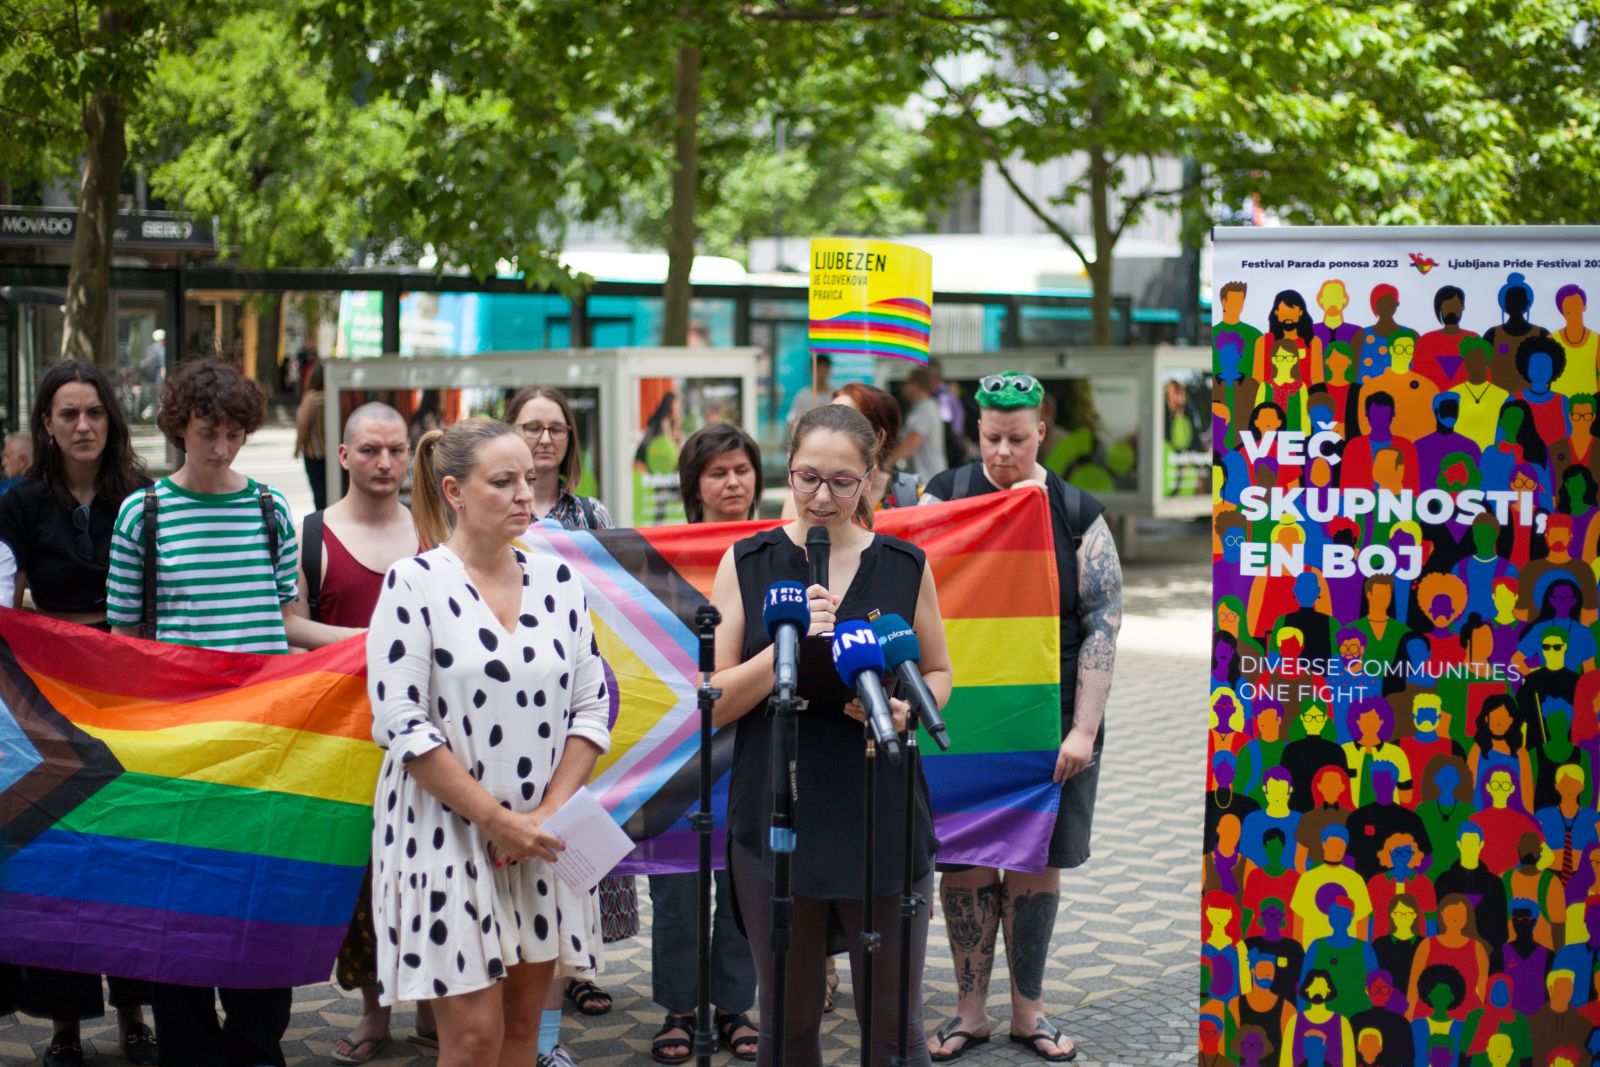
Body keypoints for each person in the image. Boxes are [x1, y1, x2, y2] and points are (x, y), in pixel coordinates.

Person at [104, 359, 339, 1066]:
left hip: (266, 740)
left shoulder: (268, 508)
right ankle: (190, 1048)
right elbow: (123, 644)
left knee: (260, 901)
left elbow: (288, 619)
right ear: (178, 427)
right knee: (180, 909)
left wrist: (369, 640)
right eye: (209, 432)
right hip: (181, 747)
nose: (224, 446)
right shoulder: (142, 513)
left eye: (236, 432)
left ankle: (257, 1045)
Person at [708, 403, 953, 1066]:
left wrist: (910, 707)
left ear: (874, 480)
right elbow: (715, 699)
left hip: (881, 806)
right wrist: (788, 645)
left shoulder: (905, 563)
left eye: (843, 481)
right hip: (780, 809)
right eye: (807, 476)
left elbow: (937, 667)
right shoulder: (748, 560)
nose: (822, 495)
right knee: (787, 1026)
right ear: (787, 472)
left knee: (895, 1029)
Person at [364, 416, 613, 1067]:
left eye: (528, 479)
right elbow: (401, 721)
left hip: (541, 834)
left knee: (522, 1032)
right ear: (455, 491)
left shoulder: (560, 583)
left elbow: (592, 707)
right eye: (503, 481)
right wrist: (498, 820)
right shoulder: (413, 582)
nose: (525, 494)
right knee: (472, 1040)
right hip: (444, 834)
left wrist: (540, 819)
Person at [919, 370, 1122, 1063]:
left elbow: (1102, 623)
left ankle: (1028, 1012)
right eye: (992, 436)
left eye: (1017, 437)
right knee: (968, 861)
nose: (1003, 452)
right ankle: (969, 1011)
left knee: (1035, 865)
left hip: (1052, 722)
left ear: (1041, 431)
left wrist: (1085, 729)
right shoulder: (942, 496)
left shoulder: (1075, 511)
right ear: (976, 428)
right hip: (962, 719)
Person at [0, 361, 154, 1065]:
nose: (84, 425)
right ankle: (63, 1020)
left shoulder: (146, 495)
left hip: (131, 686)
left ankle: (133, 1011)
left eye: (94, 412)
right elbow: (7, 601)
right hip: (50, 692)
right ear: (47, 424)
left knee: (129, 849)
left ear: (111, 418)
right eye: (69, 414)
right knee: (62, 853)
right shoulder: (20, 501)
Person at [286, 403, 431, 1065]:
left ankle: (436, 1003)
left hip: (433, 739)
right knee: (365, 880)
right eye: (370, 450)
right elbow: (290, 624)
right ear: (342, 456)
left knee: (433, 868)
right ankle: (375, 1011)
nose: (385, 463)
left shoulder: (434, 529)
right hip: (349, 743)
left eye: (396, 450)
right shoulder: (311, 534)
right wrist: (373, 643)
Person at [506, 384, 629, 1067]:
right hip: (500, 715)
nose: (544, 438)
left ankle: (557, 1012)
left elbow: (616, 598)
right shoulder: (494, 509)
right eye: (531, 426)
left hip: (573, 703)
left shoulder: (592, 513)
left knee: (562, 868)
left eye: (555, 428)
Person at [647, 422, 763, 1064]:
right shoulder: (660, 551)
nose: (732, 483)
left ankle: (735, 1008)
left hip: (754, 739)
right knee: (677, 882)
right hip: (677, 747)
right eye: (717, 473)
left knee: (743, 879)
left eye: (742, 470)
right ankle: (678, 1010)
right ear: (694, 484)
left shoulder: (778, 546)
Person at [894, 368, 948, 485]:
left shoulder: (925, 409)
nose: (903, 388)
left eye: (906, 383)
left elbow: (911, 443)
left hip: (929, 480)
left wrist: (884, 465)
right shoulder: (923, 407)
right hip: (929, 478)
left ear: (915, 385)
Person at [295, 363, 329, 511]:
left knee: (319, 494)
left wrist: (297, 447)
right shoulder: (333, 396)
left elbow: (303, 425)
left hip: (314, 454)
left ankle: (322, 524)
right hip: (334, 454)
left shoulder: (312, 397)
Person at [786, 353, 833, 428]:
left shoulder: (835, 394)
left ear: (829, 371)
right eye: (818, 370)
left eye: (824, 369)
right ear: (811, 371)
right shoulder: (802, 395)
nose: (821, 374)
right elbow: (791, 420)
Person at [0, 430, 34, 497]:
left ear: (22, 461)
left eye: (7, 456)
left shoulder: (6, 490)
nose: (3, 463)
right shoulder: (51, 486)